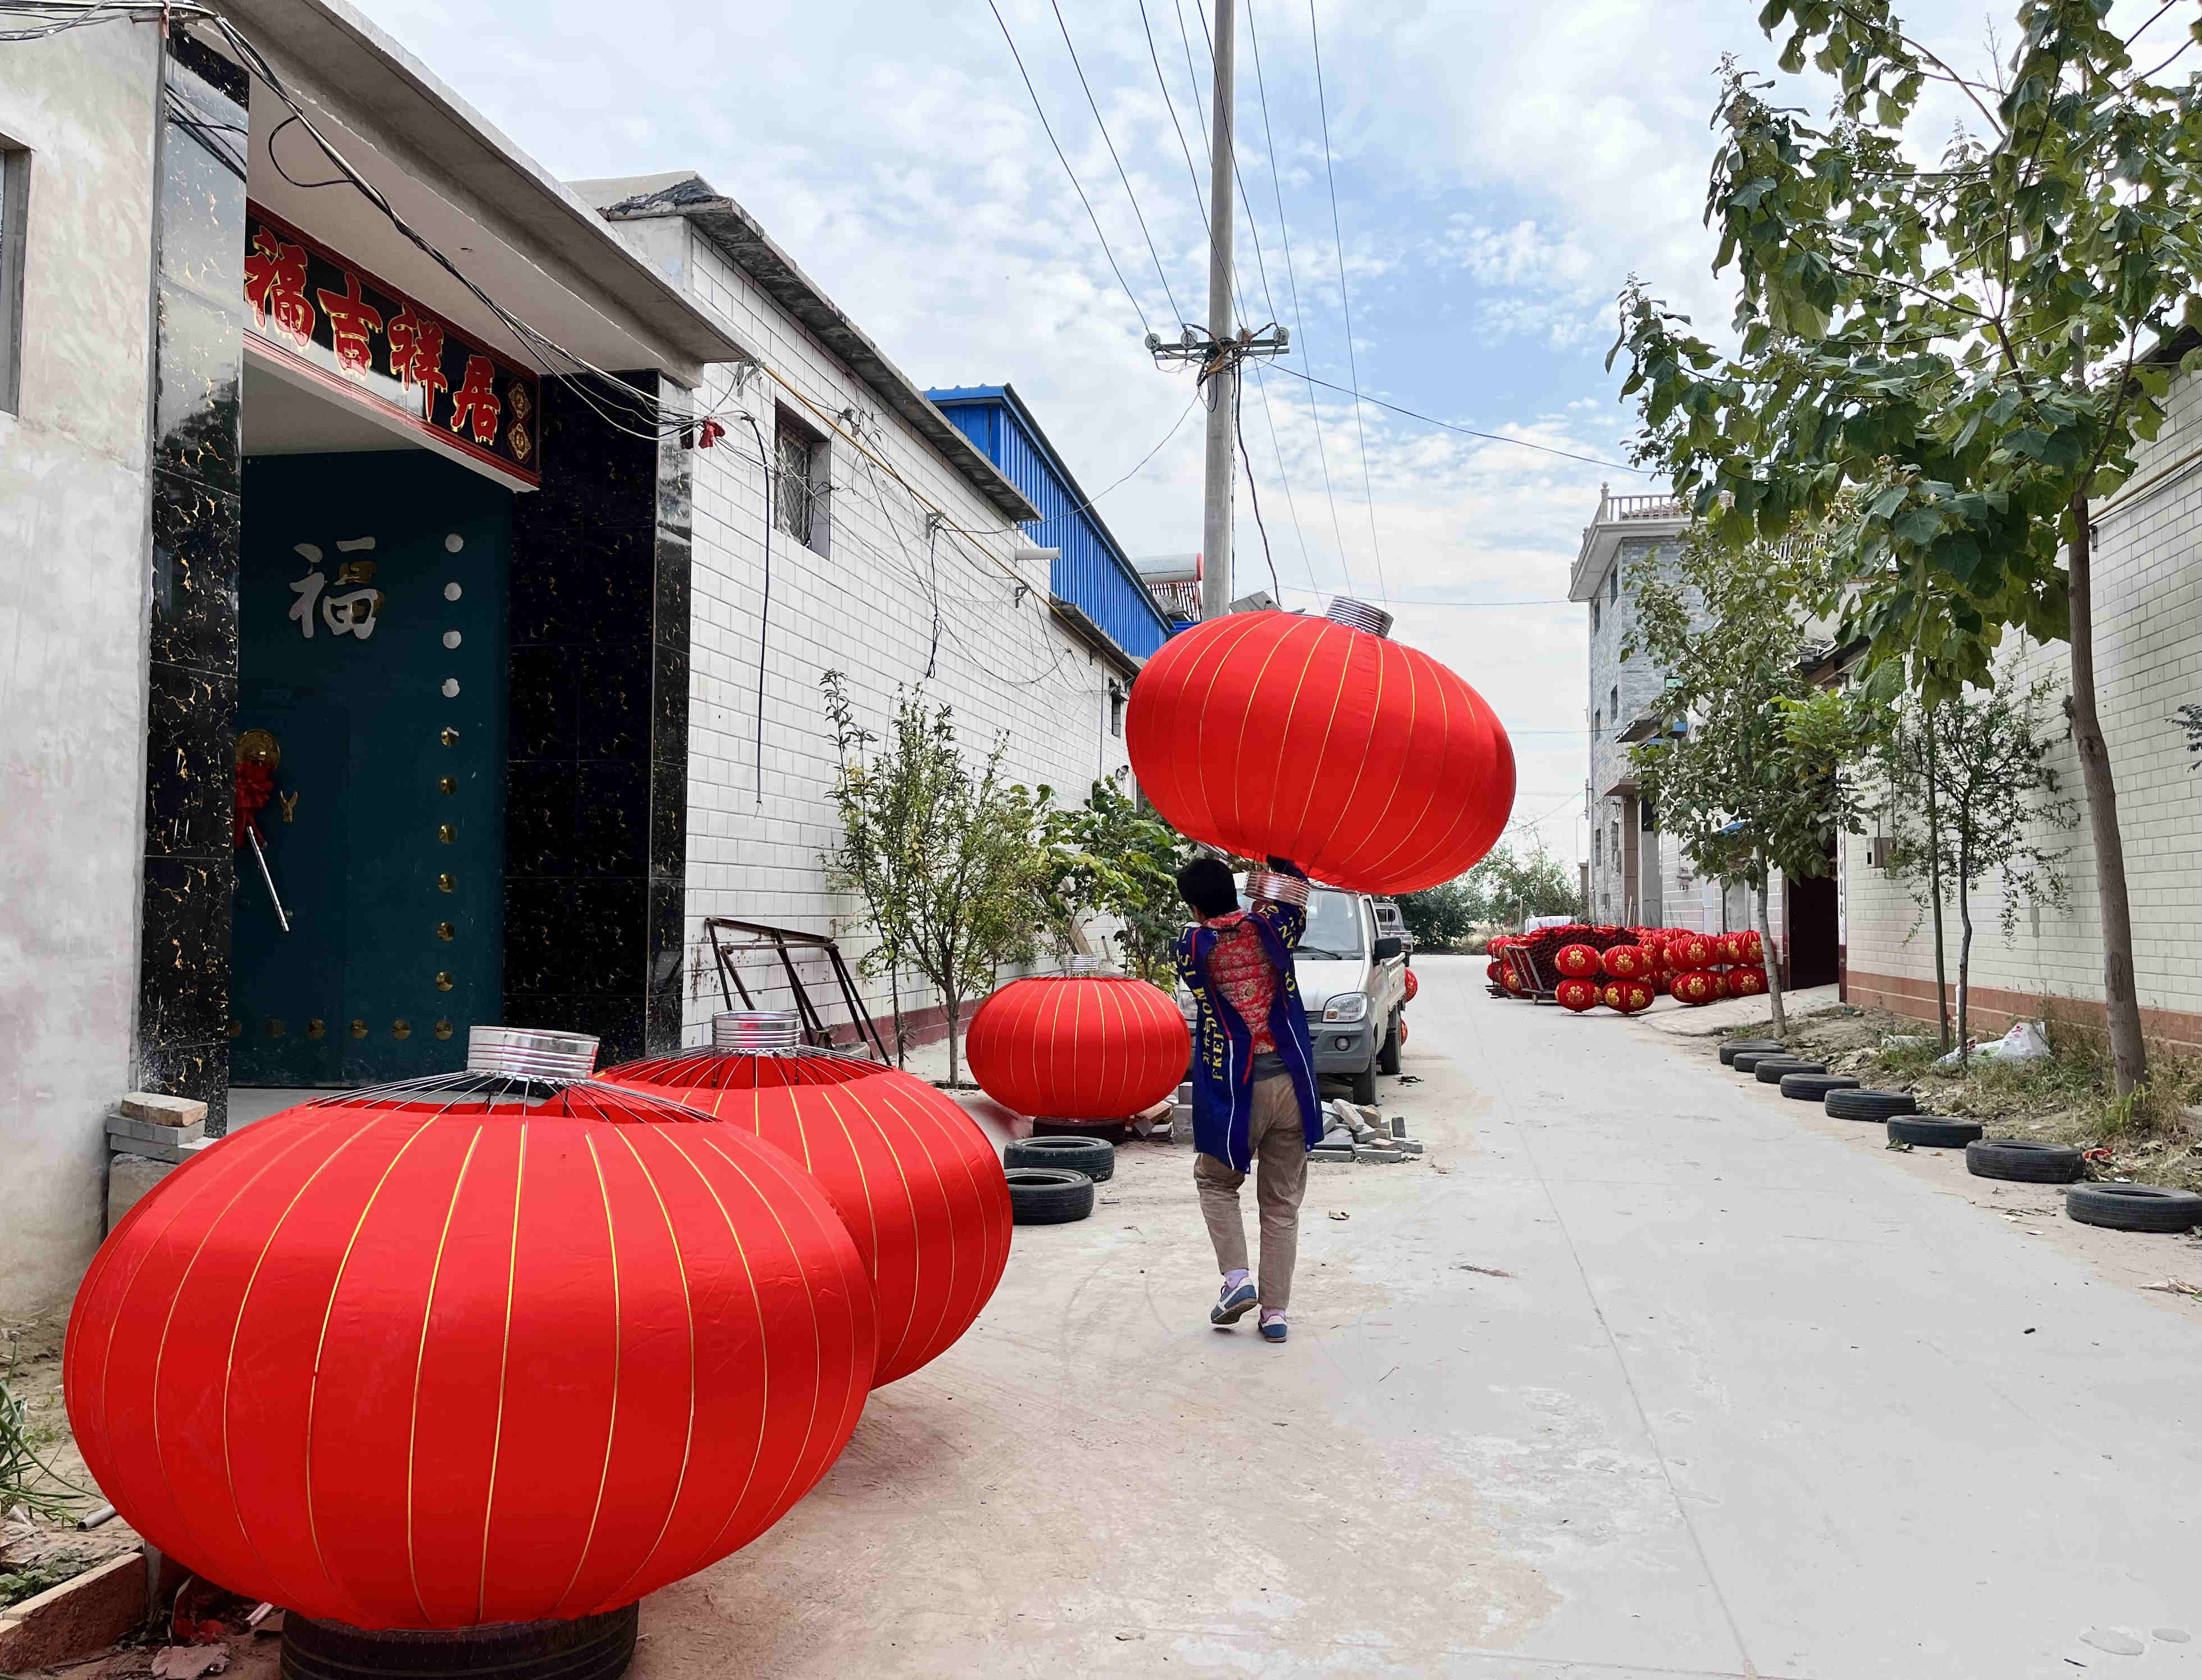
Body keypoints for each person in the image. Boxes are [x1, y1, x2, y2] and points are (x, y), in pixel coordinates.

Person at [1174, 853, 1323, 1344]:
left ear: (1195, 907)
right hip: (1292, 1083)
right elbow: (1295, 899)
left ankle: (1237, 1280)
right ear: (1236, 892)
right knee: (1281, 1203)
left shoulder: (1192, 944)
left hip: (1236, 1090)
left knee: (1215, 1183)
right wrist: (1278, 856)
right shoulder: (1271, 930)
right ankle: (1275, 1312)